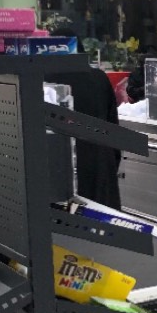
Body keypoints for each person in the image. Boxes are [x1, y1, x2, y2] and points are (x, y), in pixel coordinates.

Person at [45, 33, 122, 208]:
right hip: (101, 174)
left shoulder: (44, 80)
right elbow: (114, 132)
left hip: (63, 179)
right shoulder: (99, 78)